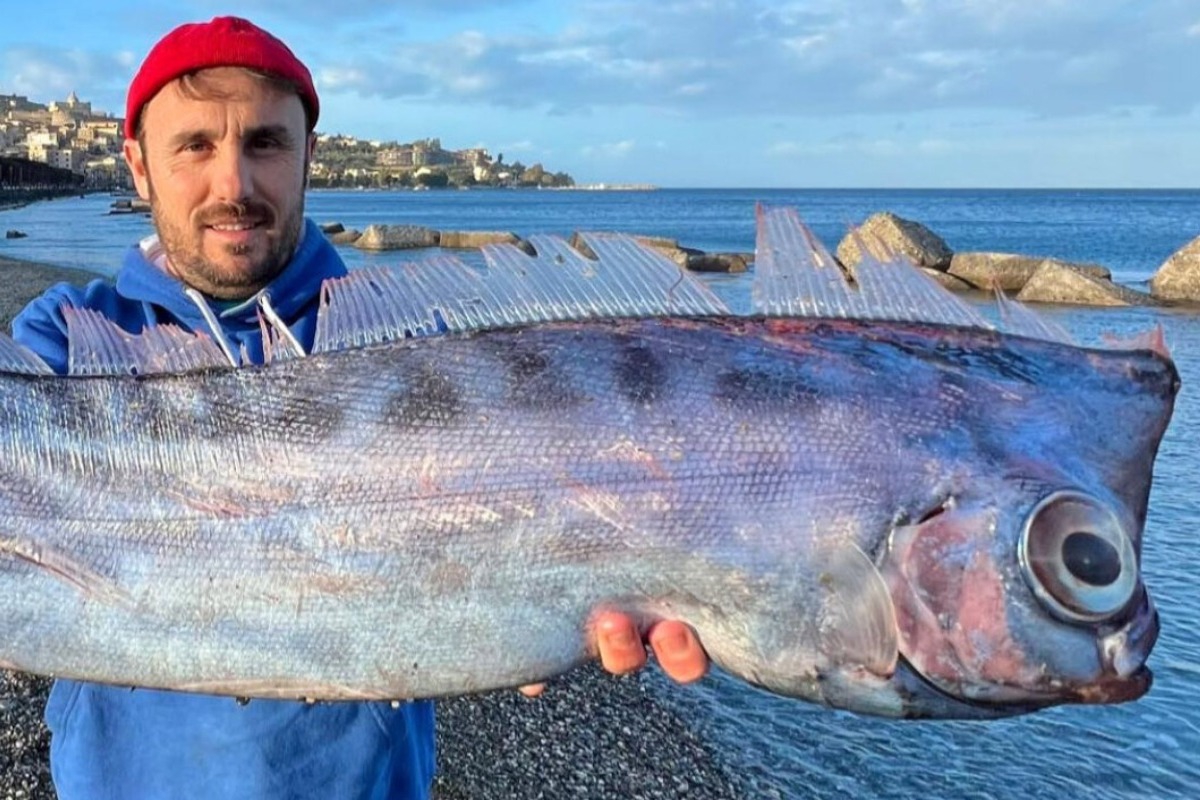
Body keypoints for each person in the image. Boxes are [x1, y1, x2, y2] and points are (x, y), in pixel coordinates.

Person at [12, 16, 708, 800]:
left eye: (266, 144)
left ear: (310, 155)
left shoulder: (422, 343)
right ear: (138, 167)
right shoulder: (69, 338)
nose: (234, 185)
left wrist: (565, 600)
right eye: (196, 146)